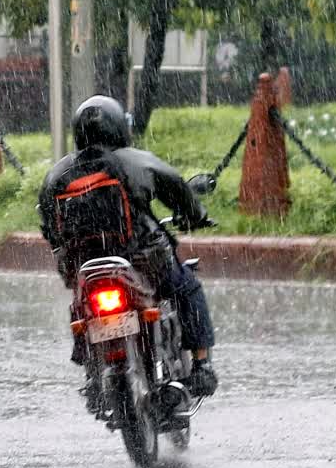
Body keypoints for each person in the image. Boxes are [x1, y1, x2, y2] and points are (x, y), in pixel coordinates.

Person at [38, 95, 219, 399]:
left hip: (84, 268)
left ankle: (92, 374)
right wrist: (195, 216)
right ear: (119, 127)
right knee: (187, 288)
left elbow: (49, 228)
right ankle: (201, 366)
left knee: (82, 308)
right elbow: (177, 189)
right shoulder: (134, 160)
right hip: (142, 261)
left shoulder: (56, 176)